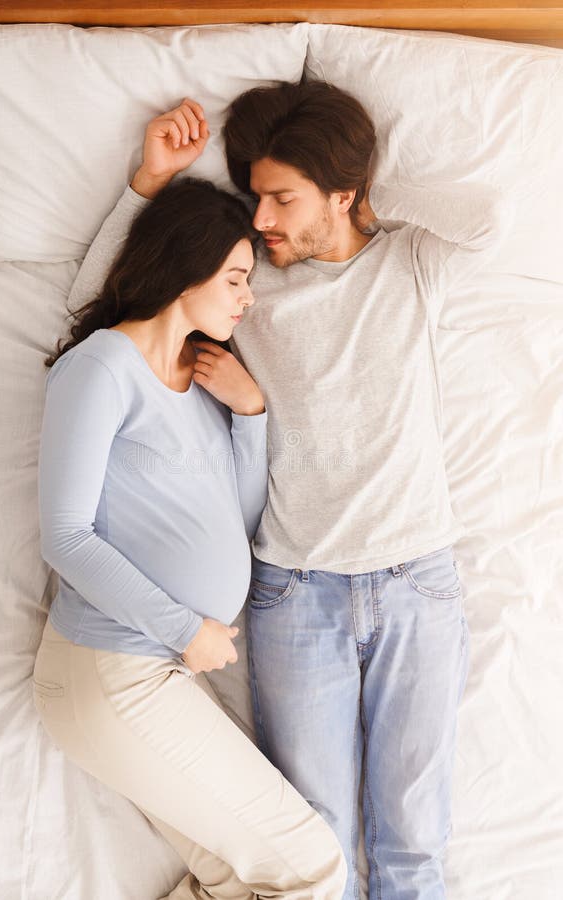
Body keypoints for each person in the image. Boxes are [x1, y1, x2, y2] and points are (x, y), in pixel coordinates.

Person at [66, 84, 513, 900]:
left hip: (415, 579)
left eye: (281, 198)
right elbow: (107, 305)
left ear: (340, 193)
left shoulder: (408, 262)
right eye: (255, 197)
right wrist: (150, 180)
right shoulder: (246, 286)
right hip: (295, 590)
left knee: (414, 845)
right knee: (316, 842)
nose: (263, 218)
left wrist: (362, 186)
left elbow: (487, 219)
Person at [32, 163, 348, 898]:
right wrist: (183, 628)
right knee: (312, 868)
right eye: (236, 278)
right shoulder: (103, 367)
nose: (248, 297)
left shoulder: (204, 380)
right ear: (186, 268)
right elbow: (65, 536)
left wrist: (249, 414)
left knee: (233, 880)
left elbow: (240, 523)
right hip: (112, 668)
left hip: (151, 673)